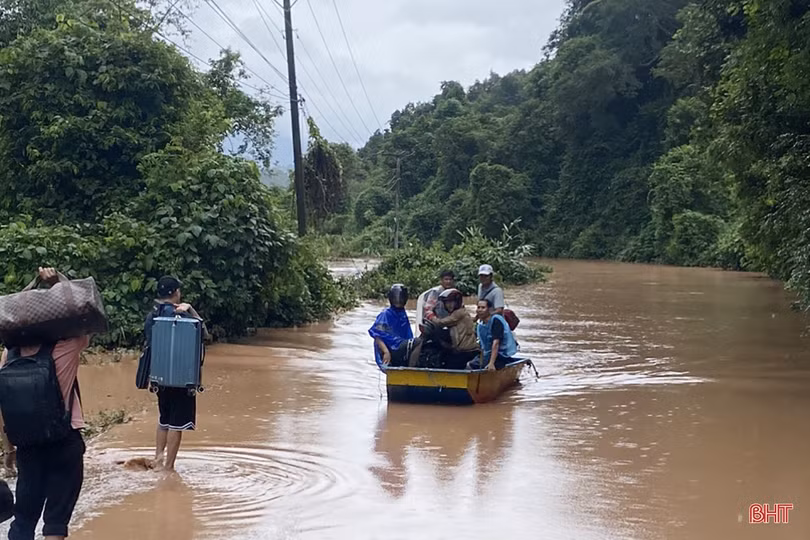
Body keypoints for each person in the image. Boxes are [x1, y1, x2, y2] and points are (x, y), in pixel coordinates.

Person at [0, 267, 92, 540]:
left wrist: (8, 448)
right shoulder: (68, 347)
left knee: (23, 520)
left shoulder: (8, 356)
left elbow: (5, 406)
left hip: (28, 445)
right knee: (55, 522)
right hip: (64, 441)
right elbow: (84, 312)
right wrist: (59, 282)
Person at [143, 276, 209, 472]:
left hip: (159, 377)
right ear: (176, 292)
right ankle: (168, 468)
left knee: (164, 420)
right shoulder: (184, 316)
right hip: (182, 378)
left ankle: (158, 459)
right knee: (176, 424)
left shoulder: (152, 315)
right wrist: (191, 310)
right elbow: (204, 334)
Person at [423, 289, 479, 369]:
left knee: (449, 364)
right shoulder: (459, 312)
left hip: (464, 350)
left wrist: (431, 316)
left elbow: (441, 322)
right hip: (462, 347)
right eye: (447, 302)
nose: (449, 305)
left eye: (452, 302)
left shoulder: (458, 313)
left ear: (457, 302)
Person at [369, 284, 420, 368]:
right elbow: (377, 335)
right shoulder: (386, 314)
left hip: (399, 347)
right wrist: (386, 352)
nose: (398, 301)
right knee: (418, 342)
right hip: (392, 349)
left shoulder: (402, 314)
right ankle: (411, 369)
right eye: (395, 298)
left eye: (401, 298)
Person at [468, 299, 518, 371]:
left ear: (489, 310)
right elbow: (482, 344)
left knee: (474, 364)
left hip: (502, 354)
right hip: (488, 353)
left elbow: (496, 343)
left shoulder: (496, 320)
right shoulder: (480, 325)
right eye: (478, 307)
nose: (480, 310)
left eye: (483, 308)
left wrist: (491, 363)